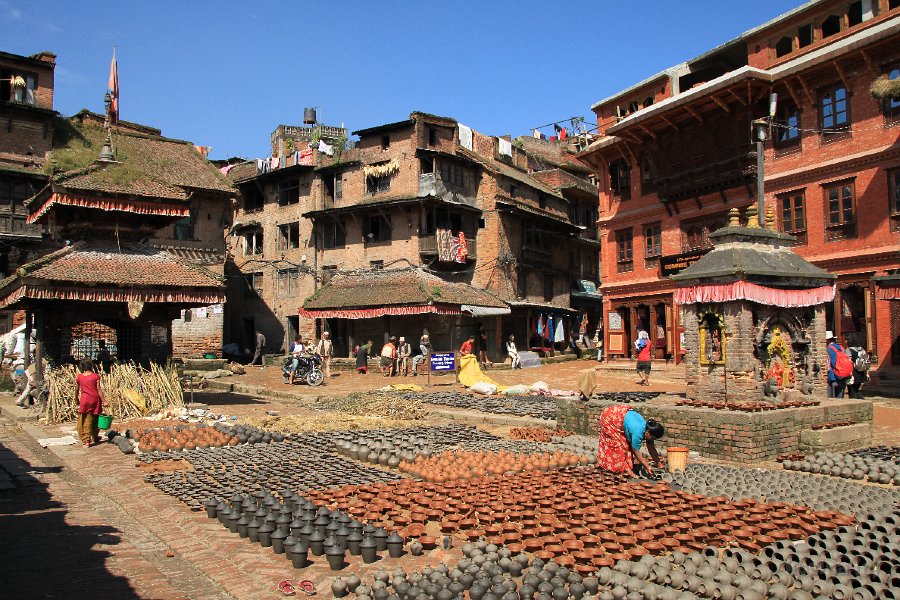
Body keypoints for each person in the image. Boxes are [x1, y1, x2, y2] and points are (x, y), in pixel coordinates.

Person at [596, 404, 665, 474]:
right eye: (653, 438)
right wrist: (647, 466)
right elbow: (636, 451)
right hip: (610, 418)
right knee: (620, 446)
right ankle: (617, 468)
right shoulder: (638, 432)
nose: (653, 440)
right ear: (648, 433)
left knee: (627, 445)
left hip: (621, 415)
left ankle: (627, 468)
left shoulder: (648, 429)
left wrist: (659, 463)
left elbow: (651, 447)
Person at [76, 359, 103, 448]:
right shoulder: (95, 376)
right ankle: (95, 436)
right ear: (91, 366)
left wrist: (76, 399)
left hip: (85, 400)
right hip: (95, 399)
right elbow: (99, 389)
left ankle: (86, 440)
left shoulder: (80, 377)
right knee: (95, 418)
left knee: (85, 419)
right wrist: (104, 401)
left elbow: (76, 389)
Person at [826, 331, 852, 399]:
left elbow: (832, 362)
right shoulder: (840, 347)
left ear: (827, 340)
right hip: (843, 373)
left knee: (833, 396)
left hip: (834, 375)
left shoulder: (829, 349)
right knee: (840, 393)